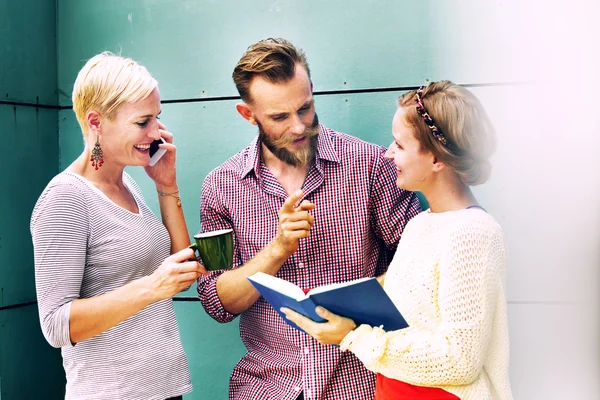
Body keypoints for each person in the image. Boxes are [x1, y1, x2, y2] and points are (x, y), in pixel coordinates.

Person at [197, 38, 422, 400]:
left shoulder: (370, 165)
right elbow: (216, 302)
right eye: (280, 117)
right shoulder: (221, 186)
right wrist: (278, 249)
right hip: (268, 387)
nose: (299, 126)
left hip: (361, 385)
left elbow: (422, 267)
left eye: (305, 108)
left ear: (312, 90)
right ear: (248, 114)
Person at [283, 81, 513, 399]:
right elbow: (404, 294)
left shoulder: (472, 234)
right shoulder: (420, 225)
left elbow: (461, 362)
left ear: (437, 159)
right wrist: (322, 302)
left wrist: (352, 336)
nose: (389, 154)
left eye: (400, 145)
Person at [30, 52, 206, 400]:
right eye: (143, 122)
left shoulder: (130, 186)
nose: (156, 132)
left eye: (157, 118)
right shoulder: (66, 199)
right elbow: (55, 325)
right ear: (96, 122)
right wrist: (152, 285)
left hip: (165, 389)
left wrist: (166, 185)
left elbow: (182, 268)